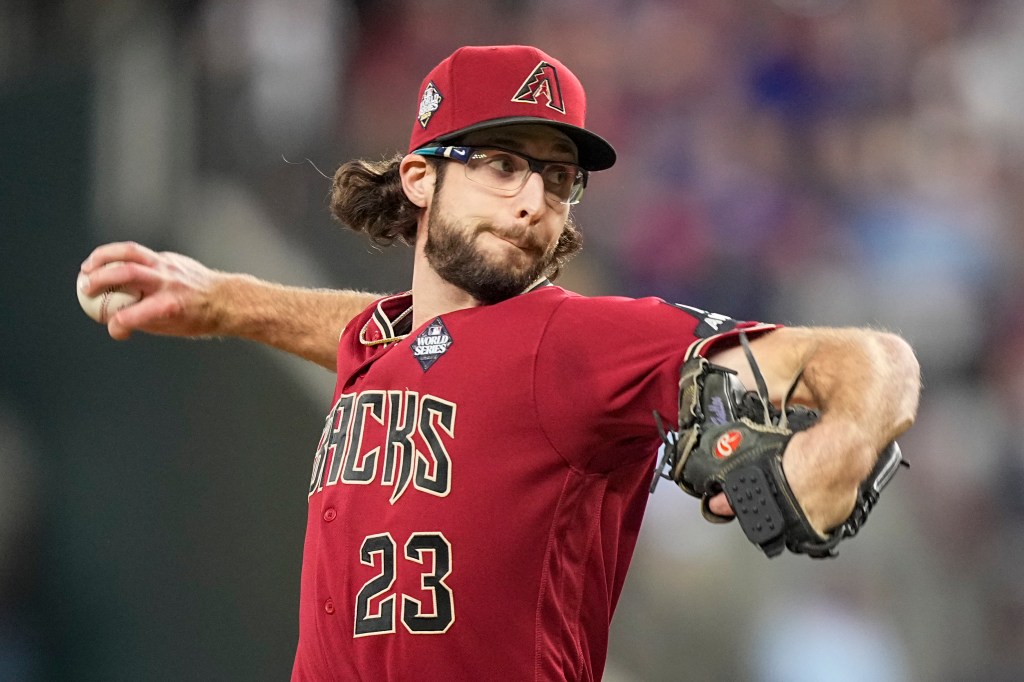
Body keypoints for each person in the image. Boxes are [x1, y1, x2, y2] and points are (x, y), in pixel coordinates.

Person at [78, 45, 921, 681]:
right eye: (502, 164)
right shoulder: (383, 343)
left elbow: (867, 357)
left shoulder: (577, 344)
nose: (532, 201)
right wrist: (228, 302)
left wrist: (842, 441)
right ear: (418, 177)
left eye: (559, 180)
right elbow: (376, 330)